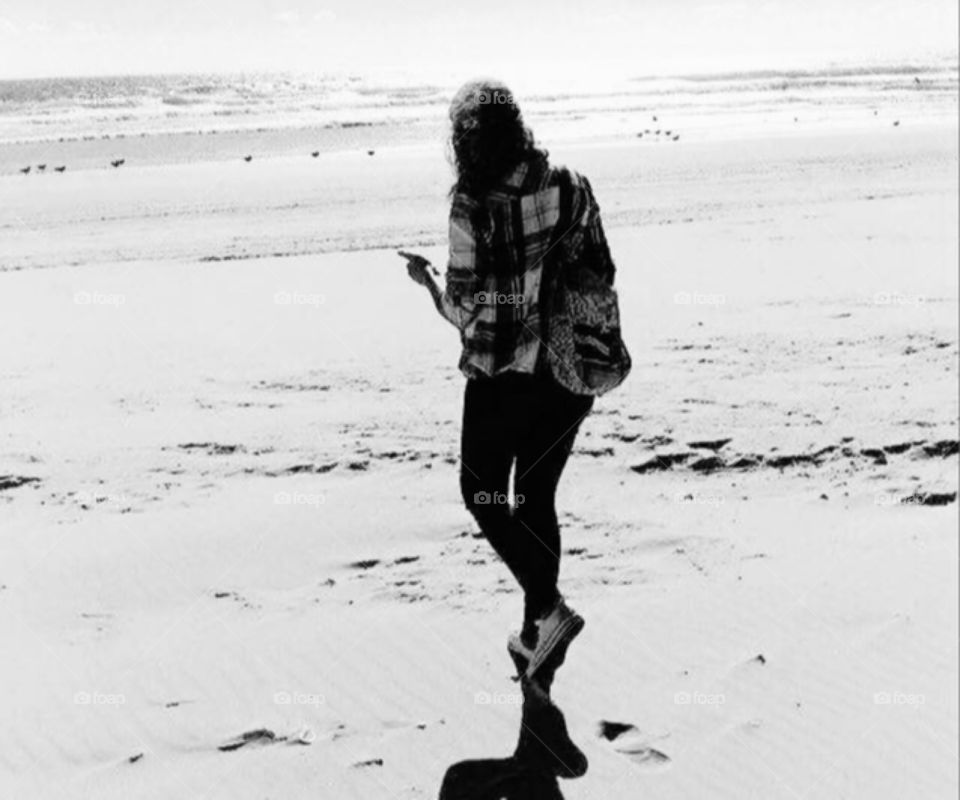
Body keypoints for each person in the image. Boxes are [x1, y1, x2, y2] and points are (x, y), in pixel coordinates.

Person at [400, 78, 617, 682]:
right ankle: (535, 637)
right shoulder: (571, 186)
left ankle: (548, 610)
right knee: (535, 497)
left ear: (466, 143)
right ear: (518, 126)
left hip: (505, 380)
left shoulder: (472, 205)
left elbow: (469, 312)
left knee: (484, 494)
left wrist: (430, 288)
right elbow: (601, 269)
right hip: (570, 373)